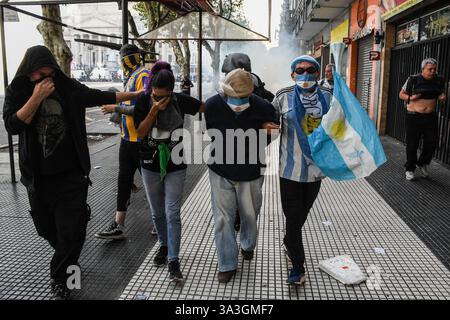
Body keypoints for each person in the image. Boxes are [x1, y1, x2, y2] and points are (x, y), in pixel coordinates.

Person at [2, 45, 144, 299]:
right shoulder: (19, 89)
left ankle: (63, 278)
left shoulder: (66, 87)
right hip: (37, 178)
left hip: (71, 176)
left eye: (48, 74)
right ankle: (68, 257)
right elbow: (12, 125)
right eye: (38, 75)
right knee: (46, 229)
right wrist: (36, 97)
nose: (45, 80)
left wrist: (137, 94)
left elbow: (98, 96)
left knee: (71, 232)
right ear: (29, 72)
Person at [205, 69, 279, 283]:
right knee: (223, 218)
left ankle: (247, 244)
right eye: (234, 97)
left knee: (250, 213)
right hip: (220, 169)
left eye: (244, 97)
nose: (238, 101)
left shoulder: (264, 107)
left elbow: (271, 137)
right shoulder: (212, 105)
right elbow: (212, 133)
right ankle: (227, 263)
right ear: (225, 91)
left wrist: (265, 131)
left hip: (251, 171)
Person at [134, 61, 204, 283]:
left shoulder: (180, 101)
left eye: (162, 97)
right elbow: (140, 132)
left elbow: (204, 107)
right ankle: (164, 245)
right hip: (150, 162)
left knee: (172, 212)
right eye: (155, 95)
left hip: (176, 162)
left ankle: (173, 259)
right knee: (157, 212)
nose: (158, 99)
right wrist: (154, 109)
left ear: (171, 91)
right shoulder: (144, 102)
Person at [272, 55, 332, 286]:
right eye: (299, 70)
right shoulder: (283, 96)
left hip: (316, 170)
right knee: (294, 217)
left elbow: (337, 126)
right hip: (289, 170)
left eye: (309, 70)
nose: (304, 74)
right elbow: (267, 119)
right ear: (292, 74)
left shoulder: (327, 96)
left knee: (300, 216)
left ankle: (289, 241)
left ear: (317, 73)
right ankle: (297, 266)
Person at [95, 44, 150, 240]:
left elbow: (145, 108)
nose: (122, 61)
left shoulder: (143, 75)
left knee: (151, 183)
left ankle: (159, 220)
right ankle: (118, 224)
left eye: (124, 58)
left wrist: (115, 109)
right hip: (127, 139)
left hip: (140, 140)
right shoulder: (132, 77)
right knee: (123, 181)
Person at [221, 52, 275, 232]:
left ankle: (244, 229)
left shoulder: (256, 88)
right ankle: (242, 223)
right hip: (242, 149)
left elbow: (273, 124)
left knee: (247, 195)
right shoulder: (253, 83)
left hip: (250, 151)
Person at [399, 58, 446, 181]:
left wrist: (442, 96)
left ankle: (422, 163)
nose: (432, 71)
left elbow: (441, 94)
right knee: (412, 144)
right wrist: (411, 97)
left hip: (430, 117)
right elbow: (401, 94)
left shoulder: (439, 80)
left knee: (432, 142)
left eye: (434, 69)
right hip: (413, 116)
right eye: (430, 69)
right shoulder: (413, 79)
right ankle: (410, 168)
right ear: (423, 69)